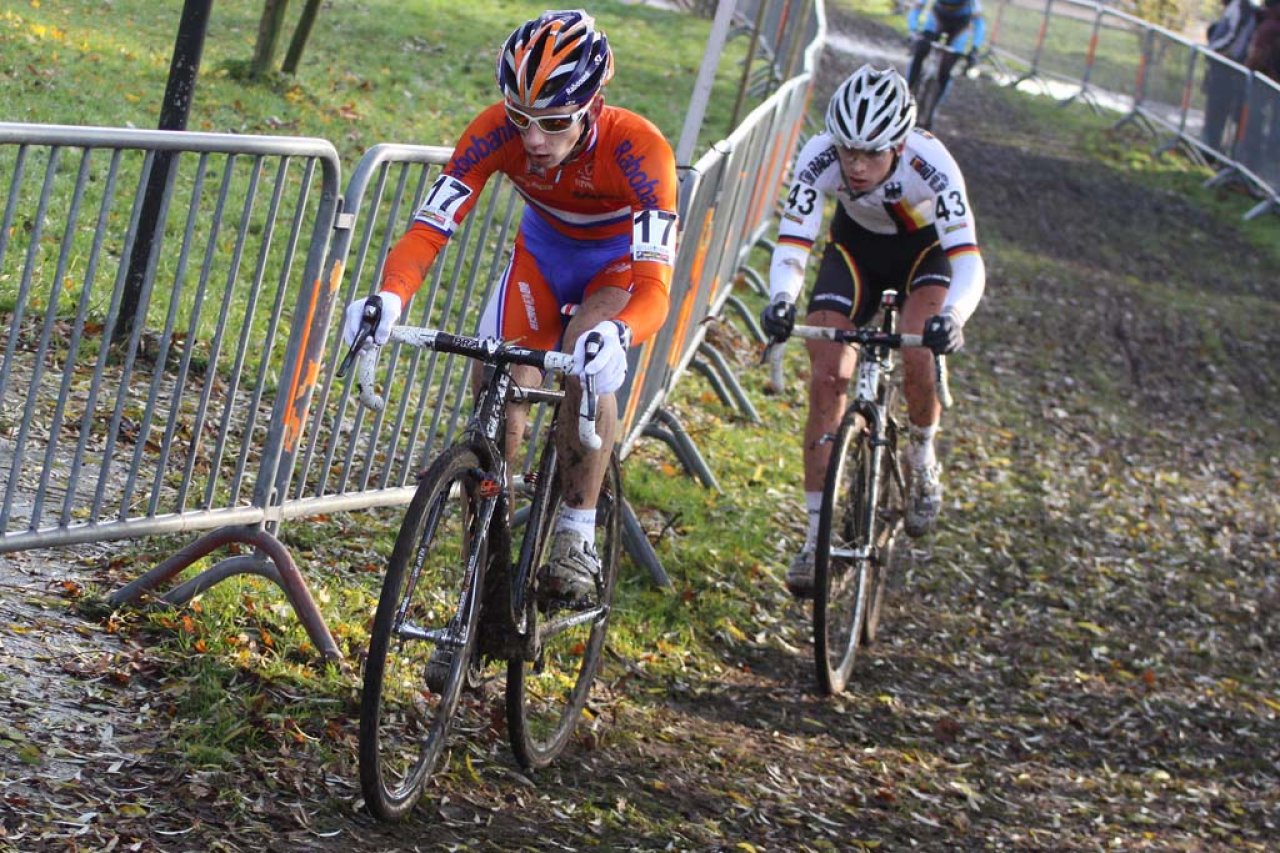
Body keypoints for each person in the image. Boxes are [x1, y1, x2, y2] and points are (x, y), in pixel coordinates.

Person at [342, 9, 679, 610]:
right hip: (541, 261)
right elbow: (430, 226)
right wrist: (389, 294)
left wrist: (622, 333)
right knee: (497, 392)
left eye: (553, 123)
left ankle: (576, 534)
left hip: (615, 269)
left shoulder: (640, 149)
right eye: (521, 118)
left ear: (593, 104)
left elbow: (655, 286)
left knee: (585, 354)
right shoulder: (493, 130)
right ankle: (482, 584)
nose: (533, 141)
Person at [759, 65, 985, 595]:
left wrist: (952, 318)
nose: (856, 167)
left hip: (923, 256)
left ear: (899, 146)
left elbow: (969, 261)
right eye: (848, 152)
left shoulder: (932, 165)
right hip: (853, 252)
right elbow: (794, 242)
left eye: (871, 154)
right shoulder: (820, 154)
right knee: (827, 377)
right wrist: (781, 300)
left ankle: (923, 454)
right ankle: (816, 538)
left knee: (917, 353)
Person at [1201, 0, 1258, 154]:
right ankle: (1209, 148)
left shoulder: (1241, 8)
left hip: (1227, 68)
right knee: (1214, 112)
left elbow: (1233, 38)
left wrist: (1213, 50)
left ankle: (1212, 151)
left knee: (1219, 112)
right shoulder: (1234, 7)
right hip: (1222, 66)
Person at [906, 0, 987, 104]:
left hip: (960, 25)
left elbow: (979, 22)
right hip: (937, 20)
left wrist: (974, 48)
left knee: (946, 69)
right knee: (920, 50)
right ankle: (908, 89)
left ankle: (934, 106)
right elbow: (917, 6)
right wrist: (913, 30)